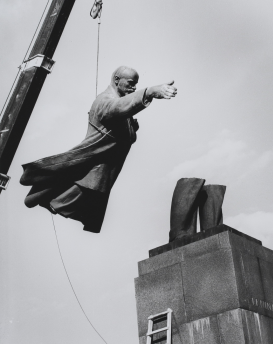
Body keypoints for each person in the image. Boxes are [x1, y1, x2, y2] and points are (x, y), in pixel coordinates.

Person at [20, 66, 177, 233]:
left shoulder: (117, 101)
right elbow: (116, 108)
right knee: (63, 195)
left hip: (101, 175)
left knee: (77, 201)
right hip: (91, 172)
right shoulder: (104, 100)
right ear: (117, 80)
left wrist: (132, 129)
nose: (133, 88)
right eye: (131, 83)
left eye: (136, 85)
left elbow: (120, 131)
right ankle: (38, 193)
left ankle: (41, 193)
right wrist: (149, 92)